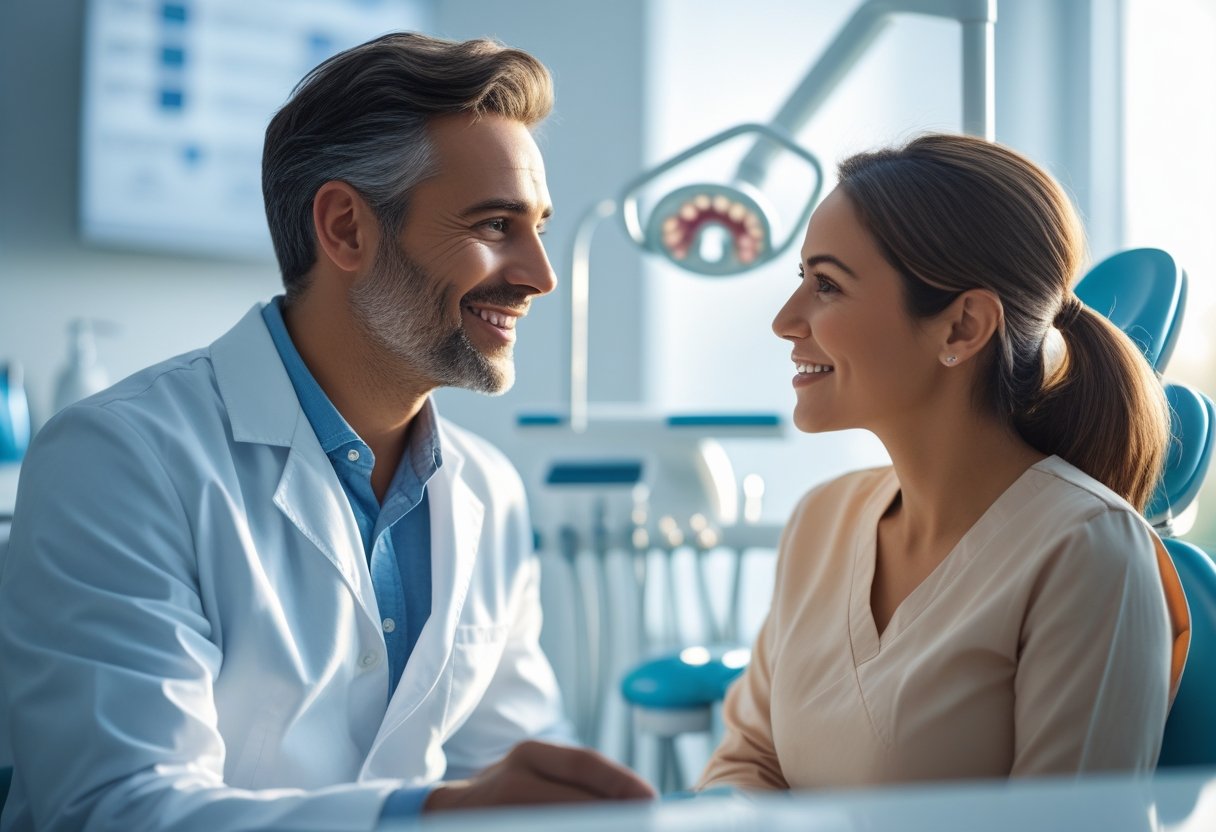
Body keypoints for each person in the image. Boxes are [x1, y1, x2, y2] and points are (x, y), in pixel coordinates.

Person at [0, 32, 653, 831]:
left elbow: (513, 764)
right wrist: (428, 811)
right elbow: (118, 808)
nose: (539, 276)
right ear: (346, 228)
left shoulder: (488, 490)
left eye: (539, 228)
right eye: (495, 225)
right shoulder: (118, 460)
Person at [696, 134, 1190, 792]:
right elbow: (746, 761)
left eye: (828, 285)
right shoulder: (822, 520)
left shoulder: (1087, 549)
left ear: (962, 327)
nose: (787, 320)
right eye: (802, 281)